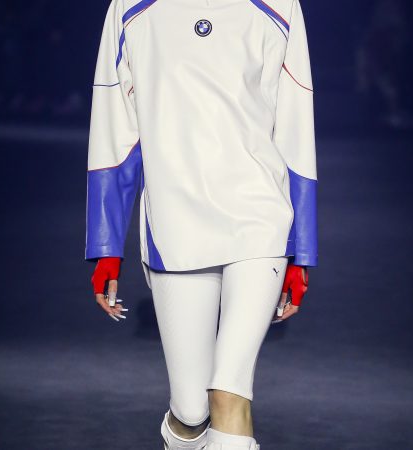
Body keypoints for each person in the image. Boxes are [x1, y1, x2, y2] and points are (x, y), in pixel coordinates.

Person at [85, 0, 317, 448]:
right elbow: (115, 128)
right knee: (192, 412)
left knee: (229, 392)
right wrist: (106, 246)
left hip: (259, 220)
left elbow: (295, 126)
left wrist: (301, 251)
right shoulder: (130, 8)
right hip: (175, 223)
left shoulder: (280, 5)